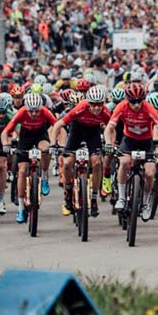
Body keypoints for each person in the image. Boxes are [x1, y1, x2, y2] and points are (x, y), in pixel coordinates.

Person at [104, 82, 158, 220]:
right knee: (124, 163)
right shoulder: (121, 106)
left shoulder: (148, 108)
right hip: (129, 140)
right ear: (127, 100)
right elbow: (109, 128)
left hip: (146, 142)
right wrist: (108, 143)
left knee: (150, 173)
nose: (136, 105)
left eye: (139, 101)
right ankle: (121, 197)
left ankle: (145, 203)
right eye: (133, 102)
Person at [50, 84, 111, 218]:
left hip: (93, 133)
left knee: (96, 163)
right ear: (88, 103)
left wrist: (110, 143)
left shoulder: (105, 111)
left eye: (99, 104)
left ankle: (94, 198)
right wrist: (53, 143)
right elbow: (58, 125)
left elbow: (111, 128)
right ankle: (68, 192)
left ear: (103, 103)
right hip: (76, 131)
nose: (96, 108)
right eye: (93, 104)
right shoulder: (80, 108)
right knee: (67, 163)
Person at [2, 92, 58, 224]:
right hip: (25, 137)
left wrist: (56, 143)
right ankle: (21, 207)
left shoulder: (45, 111)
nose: (34, 114)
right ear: (27, 108)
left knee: (46, 148)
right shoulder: (21, 112)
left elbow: (57, 126)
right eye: (31, 111)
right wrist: (5, 143)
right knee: (22, 171)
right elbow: (6, 131)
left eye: (36, 111)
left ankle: (44, 176)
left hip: (40, 133)